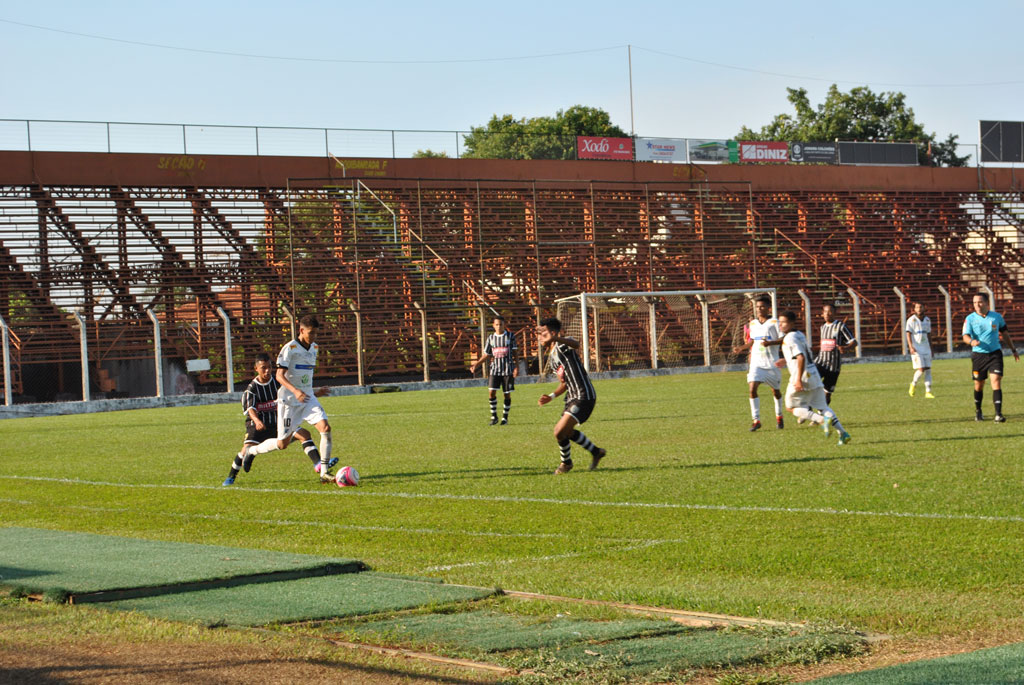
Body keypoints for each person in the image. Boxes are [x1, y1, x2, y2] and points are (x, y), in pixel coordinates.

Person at [239, 315, 336, 482]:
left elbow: (303, 376)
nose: (313, 337)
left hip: (307, 398)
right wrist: (296, 391)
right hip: (289, 401)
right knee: (282, 444)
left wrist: (313, 392)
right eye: (310, 333)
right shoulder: (290, 349)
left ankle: (324, 473)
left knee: (325, 428)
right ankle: (251, 451)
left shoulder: (314, 348)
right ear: (301, 330)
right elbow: (279, 376)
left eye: (316, 333)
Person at [222, 353, 334, 486]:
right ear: (256, 369)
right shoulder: (251, 389)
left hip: (278, 422)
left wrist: (317, 394)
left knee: (304, 434)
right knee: (245, 449)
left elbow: (297, 395)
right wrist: (257, 421)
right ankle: (231, 476)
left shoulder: (278, 383)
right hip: (258, 425)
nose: (267, 371)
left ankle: (318, 464)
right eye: (263, 368)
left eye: (269, 367)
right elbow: (250, 409)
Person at [537, 317, 606, 475]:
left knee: (558, 431)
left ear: (553, 333)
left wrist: (555, 339)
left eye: (543, 333)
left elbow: (575, 343)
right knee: (566, 432)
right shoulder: (553, 358)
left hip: (584, 395)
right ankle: (596, 452)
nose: (540, 337)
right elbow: (565, 383)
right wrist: (551, 396)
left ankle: (566, 464)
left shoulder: (562, 345)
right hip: (572, 397)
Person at [777, 311, 852, 445]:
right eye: (779, 321)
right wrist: (786, 360)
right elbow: (801, 354)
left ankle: (821, 420)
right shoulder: (799, 334)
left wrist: (798, 379)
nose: (780, 324)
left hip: (803, 375)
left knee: (790, 407)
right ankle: (843, 433)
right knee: (823, 407)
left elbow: (801, 357)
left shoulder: (789, 338)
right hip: (814, 373)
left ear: (792, 323)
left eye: (784, 322)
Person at [962, 292, 1019, 422]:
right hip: (978, 355)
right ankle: (978, 410)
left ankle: (998, 414)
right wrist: (971, 342)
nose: (977, 305)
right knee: (979, 384)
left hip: (995, 354)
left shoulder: (996, 317)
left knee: (996, 381)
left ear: (987, 303)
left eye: (980, 302)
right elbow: (965, 336)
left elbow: (1005, 334)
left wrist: (1013, 349)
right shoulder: (970, 319)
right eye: (975, 302)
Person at [732, 294, 784, 431]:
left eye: (762, 307)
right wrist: (741, 348)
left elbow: (783, 339)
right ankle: (756, 420)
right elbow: (753, 341)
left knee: (776, 392)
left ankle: (779, 416)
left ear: (768, 308)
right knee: (752, 388)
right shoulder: (753, 324)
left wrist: (770, 343)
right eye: (757, 307)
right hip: (756, 363)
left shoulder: (774, 323)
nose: (759, 309)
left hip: (772, 363)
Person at [470, 315, 518, 425]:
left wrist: (516, 367)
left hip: (507, 370)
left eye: (501, 324)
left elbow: (515, 352)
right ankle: (494, 416)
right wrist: (476, 364)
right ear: (493, 326)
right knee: (491, 392)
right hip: (495, 370)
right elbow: (487, 354)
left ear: (504, 325)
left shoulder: (510, 336)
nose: (499, 326)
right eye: (497, 324)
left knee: (506, 394)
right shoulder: (491, 338)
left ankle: (504, 418)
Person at [814, 303, 857, 405]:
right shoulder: (822, 327)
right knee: (811, 384)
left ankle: (822, 414)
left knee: (827, 393)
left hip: (833, 366)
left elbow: (854, 342)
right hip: (820, 363)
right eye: (825, 312)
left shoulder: (841, 326)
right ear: (822, 314)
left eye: (830, 312)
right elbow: (824, 344)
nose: (827, 314)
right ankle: (808, 410)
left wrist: (845, 348)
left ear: (835, 313)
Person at [906, 302, 935, 399]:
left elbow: (929, 334)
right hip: (917, 348)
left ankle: (928, 392)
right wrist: (910, 346)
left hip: (926, 348)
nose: (919, 309)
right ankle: (913, 384)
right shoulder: (911, 320)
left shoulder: (927, 320)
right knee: (921, 369)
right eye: (917, 307)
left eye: (921, 307)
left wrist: (931, 348)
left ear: (924, 308)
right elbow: (908, 334)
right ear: (914, 309)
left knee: (928, 370)